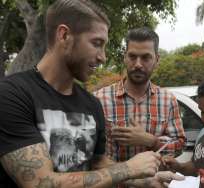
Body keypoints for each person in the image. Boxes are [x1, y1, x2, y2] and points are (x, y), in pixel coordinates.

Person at [0, 1, 170, 187]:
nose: (103, 57)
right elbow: (40, 183)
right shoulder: (11, 95)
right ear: (64, 35)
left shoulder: (92, 104)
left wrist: (142, 180)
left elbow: (96, 162)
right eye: (96, 43)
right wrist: (129, 168)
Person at [94, 27, 186, 162]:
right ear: (124, 57)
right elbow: (91, 153)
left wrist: (151, 141)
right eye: (132, 56)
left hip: (155, 182)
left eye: (145, 57)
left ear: (157, 59)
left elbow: (180, 145)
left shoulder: (168, 100)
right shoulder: (100, 99)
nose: (138, 64)